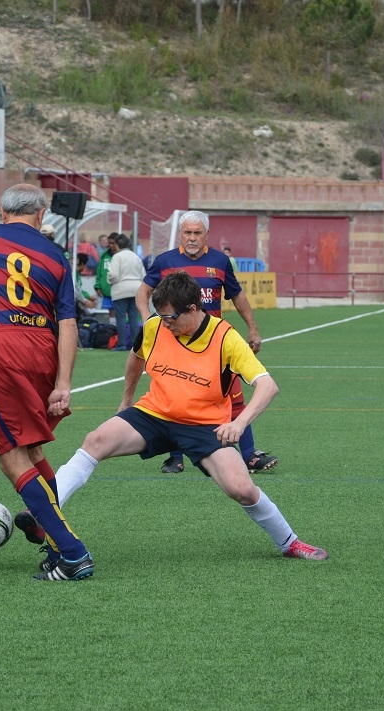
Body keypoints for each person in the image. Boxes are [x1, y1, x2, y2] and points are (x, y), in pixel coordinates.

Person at [36, 270, 327, 566]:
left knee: (242, 489)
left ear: (192, 309)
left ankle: (290, 543)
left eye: (170, 318)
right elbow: (136, 357)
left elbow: (268, 386)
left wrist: (239, 423)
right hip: (154, 413)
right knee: (95, 440)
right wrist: (126, 401)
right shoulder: (155, 327)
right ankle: (44, 512)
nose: (166, 325)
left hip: (204, 426)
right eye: (161, 317)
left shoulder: (225, 337)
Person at [0, 183, 93, 582]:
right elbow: (68, 323)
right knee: (30, 446)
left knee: (11, 457)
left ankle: (74, 554)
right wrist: (63, 381)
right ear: (41, 215)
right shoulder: (57, 255)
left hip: (2, 346)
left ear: (2, 209)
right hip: (43, 350)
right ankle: (49, 534)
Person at [136, 210, 279, 475]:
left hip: (216, 346)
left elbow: (237, 296)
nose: (192, 238)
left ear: (206, 235)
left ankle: (249, 455)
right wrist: (148, 321)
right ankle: (174, 457)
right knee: (173, 397)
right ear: (180, 234)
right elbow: (143, 292)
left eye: (197, 233)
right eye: (187, 232)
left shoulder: (220, 261)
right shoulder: (164, 261)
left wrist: (253, 329)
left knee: (235, 397)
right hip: (176, 345)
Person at [107, 234, 144, 351]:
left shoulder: (117, 257)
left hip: (120, 290)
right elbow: (143, 275)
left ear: (117, 245)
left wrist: (109, 279)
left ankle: (122, 344)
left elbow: (113, 275)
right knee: (134, 317)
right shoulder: (136, 257)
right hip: (136, 289)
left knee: (121, 318)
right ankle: (135, 344)